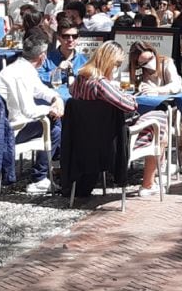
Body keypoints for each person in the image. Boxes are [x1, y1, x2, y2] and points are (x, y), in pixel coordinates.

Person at [71, 41, 167, 197]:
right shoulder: (101, 84)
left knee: (155, 120)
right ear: (109, 62)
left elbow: (72, 95)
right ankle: (149, 183)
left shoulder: (79, 79)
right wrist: (129, 96)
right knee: (160, 118)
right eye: (117, 64)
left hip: (84, 140)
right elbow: (129, 105)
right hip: (110, 143)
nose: (117, 68)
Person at [0, 32, 64, 194]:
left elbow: (39, 89)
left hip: (1, 125)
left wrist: (55, 97)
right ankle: (40, 178)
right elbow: (28, 111)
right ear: (42, 56)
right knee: (55, 126)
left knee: (53, 121)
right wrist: (51, 110)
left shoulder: (21, 67)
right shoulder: (20, 74)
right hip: (7, 130)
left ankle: (52, 168)